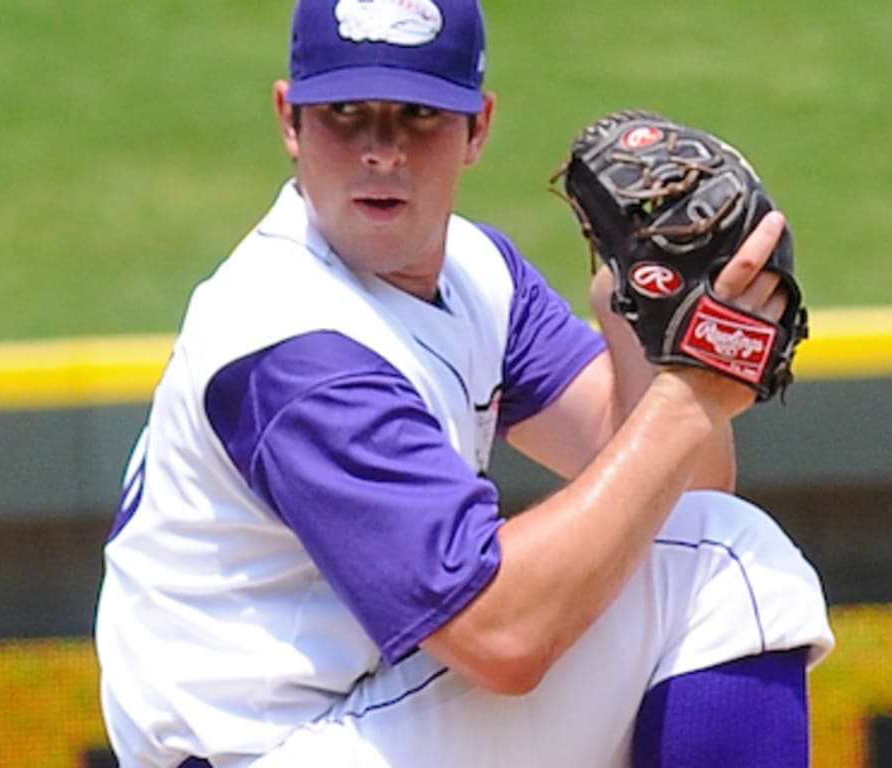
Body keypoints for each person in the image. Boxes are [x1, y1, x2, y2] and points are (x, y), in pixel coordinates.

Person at [94, 0, 834, 765]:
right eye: (346, 112)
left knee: (708, 547)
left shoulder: (477, 274)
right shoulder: (291, 340)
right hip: (266, 749)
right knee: (732, 563)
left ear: (477, 126)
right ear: (291, 120)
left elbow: (684, 491)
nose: (382, 151)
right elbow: (501, 639)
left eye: (419, 114)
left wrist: (633, 311)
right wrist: (692, 395)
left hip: (361, 719)